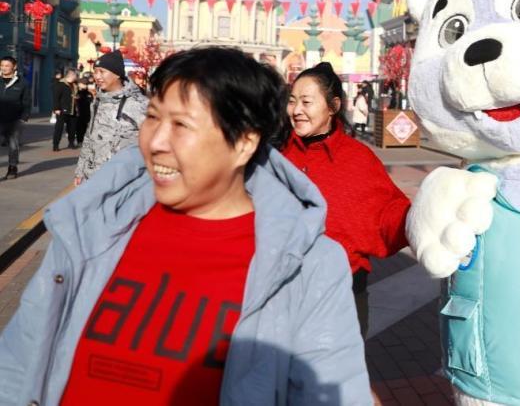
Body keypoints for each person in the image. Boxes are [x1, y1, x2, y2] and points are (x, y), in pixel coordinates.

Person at [0, 47, 371, 405]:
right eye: (153, 117)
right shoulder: (92, 224)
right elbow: (18, 361)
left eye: (181, 125)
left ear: (244, 143)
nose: (156, 142)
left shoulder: (308, 266)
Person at [283, 62, 411, 338]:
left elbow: (391, 215)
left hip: (342, 300)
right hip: (281, 297)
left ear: (333, 106)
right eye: (292, 101)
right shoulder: (277, 154)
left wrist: (427, 217)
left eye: (306, 102)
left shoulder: (358, 159)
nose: (296, 110)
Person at [74, 50, 148, 186]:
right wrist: (80, 171)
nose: (97, 76)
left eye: (102, 72)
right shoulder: (98, 101)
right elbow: (90, 136)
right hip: (93, 177)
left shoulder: (139, 104)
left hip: (123, 181)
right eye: (95, 71)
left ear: (117, 74)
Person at [0, 57, 30, 181]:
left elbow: (26, 101)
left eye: (7, 65)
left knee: (13, 145)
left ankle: (12, 167)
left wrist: (24, 117)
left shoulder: (22, 83)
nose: (4, 68)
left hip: (15, 119)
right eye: (2, 65)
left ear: (14, 67)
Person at [51, 69, 79, 151]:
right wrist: (56, 108)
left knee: (72, 128)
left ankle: (71, 143)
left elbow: (75, 95)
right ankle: (55, 145)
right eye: (76, 75)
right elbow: (56, 97)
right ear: (71, 75)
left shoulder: (74, 85)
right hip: (62, 110)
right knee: (59, 128)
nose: (77, 77)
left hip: (73, 110)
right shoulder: (60, 84)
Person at [74, 79, 93, 147]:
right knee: (79, 128)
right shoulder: (76, 92)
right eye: (83, 84)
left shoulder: (89, 93)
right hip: (78, 113)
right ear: (79, 84)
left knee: (86, 128)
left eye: (85, 84)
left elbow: (91, 101)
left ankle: (85, 141)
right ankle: (79, 141)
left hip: (87, 113)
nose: (84, 85)